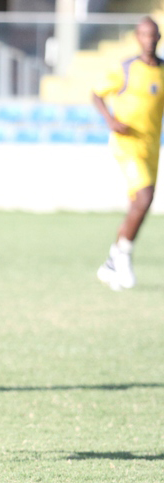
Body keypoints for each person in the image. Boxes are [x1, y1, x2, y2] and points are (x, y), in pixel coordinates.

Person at [93, 16, 163, 290]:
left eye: (153, 35)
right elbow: (96, 94)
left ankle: (112, 261)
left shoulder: (162, 70)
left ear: (159, 38)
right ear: (137, 37)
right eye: (144, 35)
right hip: (127, 145)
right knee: (144, 197)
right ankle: (123, 257)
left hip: (152, 147)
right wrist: (110, 120)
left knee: (140, 205)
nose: (149, 40)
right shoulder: (126, 68)